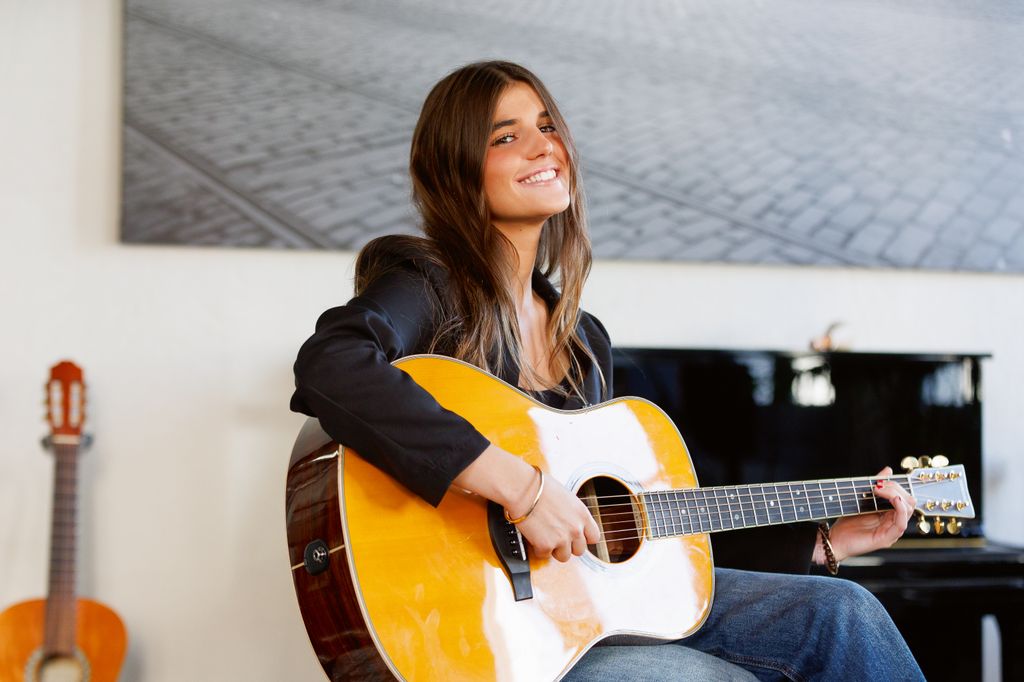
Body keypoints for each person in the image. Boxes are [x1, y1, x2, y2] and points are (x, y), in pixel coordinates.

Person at [291, 60, 924, 681]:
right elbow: (331, 366)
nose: (545, 147)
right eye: (506, 136)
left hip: (587, 610)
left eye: (548, 125)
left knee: (846, 613)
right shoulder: (429, 287)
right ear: (455, 170)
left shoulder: (585, 340)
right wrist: (523, 489)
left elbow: (632, 538)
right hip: (493, 627)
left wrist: (821, 545)